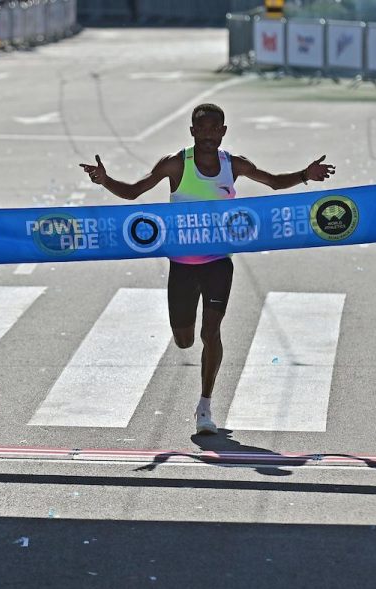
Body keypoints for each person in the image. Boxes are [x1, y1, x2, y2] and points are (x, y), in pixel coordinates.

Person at [80, 103, 335, 435]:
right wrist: (104, 180)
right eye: (202, 129)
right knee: (185, 339)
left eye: (215, 129)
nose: (209, 135)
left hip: (218, 263)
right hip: (183, 266)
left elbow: (272, 182)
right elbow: (133, 192)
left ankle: (205, 407)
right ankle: (190, 355)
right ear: (192, 132)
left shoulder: (234, 165)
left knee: (210, 333)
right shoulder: (175, 164)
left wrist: (304, 175)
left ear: (223, 132)